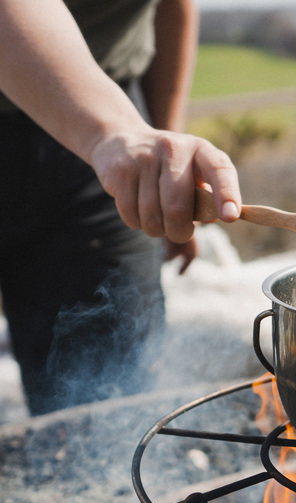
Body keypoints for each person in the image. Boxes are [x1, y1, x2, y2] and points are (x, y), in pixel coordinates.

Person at [0, 0, 241, 415]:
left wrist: (163, 174)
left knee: (113, 405)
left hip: (98, 154)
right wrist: (113, 131)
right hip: (103, 130)